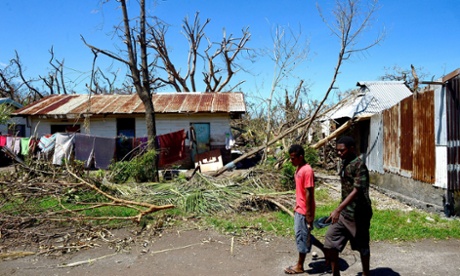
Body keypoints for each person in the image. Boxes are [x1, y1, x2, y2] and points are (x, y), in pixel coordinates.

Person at [324, 136, 373, 276]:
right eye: (337, 151)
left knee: (362, 246)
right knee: (330, 241)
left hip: (359, 214)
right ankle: (335, 274)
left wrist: (337, 209)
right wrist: (340, 209)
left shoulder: (359, 166)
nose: (339, 153)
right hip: (345, 213)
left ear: (352, 148)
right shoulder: (344, 162)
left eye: (342, 151)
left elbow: (357, 191)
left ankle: (365, 273)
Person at [284, 144, 324, 274]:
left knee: (301, 236)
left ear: (301, 157)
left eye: (293, 158)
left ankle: (300, 266)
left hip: (304, 210)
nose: (291, 160)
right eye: (290, 158)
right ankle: (326, 250)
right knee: (305, 234)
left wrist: (308, 213)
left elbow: (309, 193)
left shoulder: (307, 170)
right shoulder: (299, 168)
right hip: (299, 208)